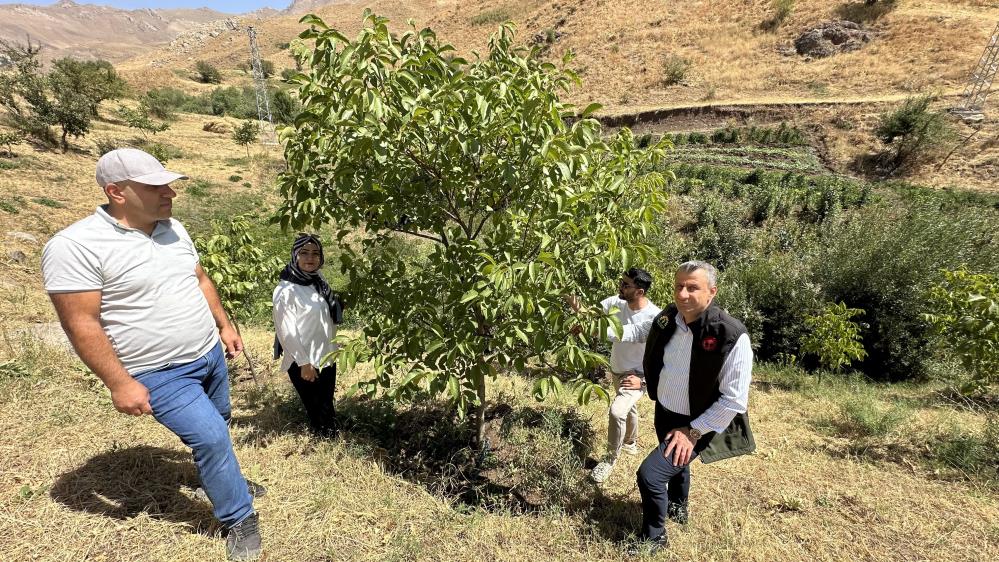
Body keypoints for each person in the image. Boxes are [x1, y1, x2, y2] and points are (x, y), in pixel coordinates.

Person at [41, 148, 263, 561]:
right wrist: (119, 383)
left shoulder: (173, 228)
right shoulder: (75, 246)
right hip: (157, 372)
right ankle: (239, 517)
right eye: (156, 186)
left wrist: (224, 325)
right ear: (116, 191)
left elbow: (198, 278)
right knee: (212, 437)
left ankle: (218, 478)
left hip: (208, 353)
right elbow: (81, 323)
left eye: (169, 184)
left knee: (220, 423)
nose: (170, 193)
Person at [631, 260, 755, 554]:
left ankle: (654, 538)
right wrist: (644, 382)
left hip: (700, 421)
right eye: (679, 286)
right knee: (677, 465)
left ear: (712, 292)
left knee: (651, 474)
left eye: (692, 288)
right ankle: (677, 508)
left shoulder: (731, 335)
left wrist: (692, 431)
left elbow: (734, 400)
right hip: (666, 411)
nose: (683, 294)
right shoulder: (667, 319)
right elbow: (659, 359)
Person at [589, 268, 661, 484]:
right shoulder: (616, 302)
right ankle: (630, 442)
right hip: (617, 369)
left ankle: (609, 460)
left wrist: (645, 381)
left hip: (635, 375)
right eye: (621, 282)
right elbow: (591, 314)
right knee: (629, 407)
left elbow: (660, 355)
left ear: (639, 292)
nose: (620, 287)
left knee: (617, 411)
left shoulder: (654, 317)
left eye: (626, 285)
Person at [272, 233, 342, 437]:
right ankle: (325, 449)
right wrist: (304, 363)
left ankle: (331, 442)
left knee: (327, 405)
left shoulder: (318, 281)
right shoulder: (286, 290)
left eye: (315, 253)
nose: (310, 258)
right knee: (318, 411)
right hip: (304, 360)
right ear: (295, 255)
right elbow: (286, 331)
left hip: (326, 355)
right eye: (304, 253)